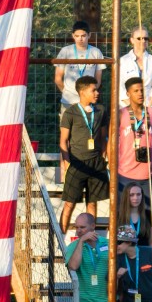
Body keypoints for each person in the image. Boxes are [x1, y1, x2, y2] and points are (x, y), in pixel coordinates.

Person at [59, 75, 108, 234]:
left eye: (97, 90)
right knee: (69, 204)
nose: (97, 93)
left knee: (92, 203)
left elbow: (103, 137)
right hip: (77, 164)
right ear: (82, 92)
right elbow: (63, 141)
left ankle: (90, 241)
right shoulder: (71, 112)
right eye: (93, 90)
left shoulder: (101, 110)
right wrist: (67, 162)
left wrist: (105, 156)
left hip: (96, 164)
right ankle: (60, 239)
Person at [117, 77, 152, 202]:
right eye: (136, 91)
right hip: (125, 172)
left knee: (148, 214)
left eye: (142, 90)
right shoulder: (120, 114)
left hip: (149, 172)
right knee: (125, 214)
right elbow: (111, 142)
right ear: (128, 93)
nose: (140, 94)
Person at [54, 21, 104, 115]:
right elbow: (58, 78)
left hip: (88, 101)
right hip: (68, 101)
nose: (80, 39)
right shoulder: (65, 51)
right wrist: (66, 92)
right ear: (73, 35)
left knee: (87, 128)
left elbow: (98, 79)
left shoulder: (96, 52)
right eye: (77, 36)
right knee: (66, 128)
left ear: (89, 35)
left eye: (83, 36)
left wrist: (90, 94)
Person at [65, 213, 109, 302]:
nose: (78, 230)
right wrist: (81, 241)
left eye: (82, 227)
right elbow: (73, 266)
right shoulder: (73, 246)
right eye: (76, 227)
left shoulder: (107, 243)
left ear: (93, 226)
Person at [118, 26, 152, 109]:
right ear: (132, 40)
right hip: (126, 107)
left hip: (148, 107)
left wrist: (149, 107)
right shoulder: (123, 61)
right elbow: (120, 87)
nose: (143, 41)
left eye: (146, 38)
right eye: (139, 38)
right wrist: (132, 107)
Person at [117, 182, 152, 247]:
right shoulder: (118, 216)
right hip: (124, 255)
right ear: (126, 196)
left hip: (143, 255)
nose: (136, 198)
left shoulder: (148, 214)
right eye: (131, 195)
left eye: (138, 194)